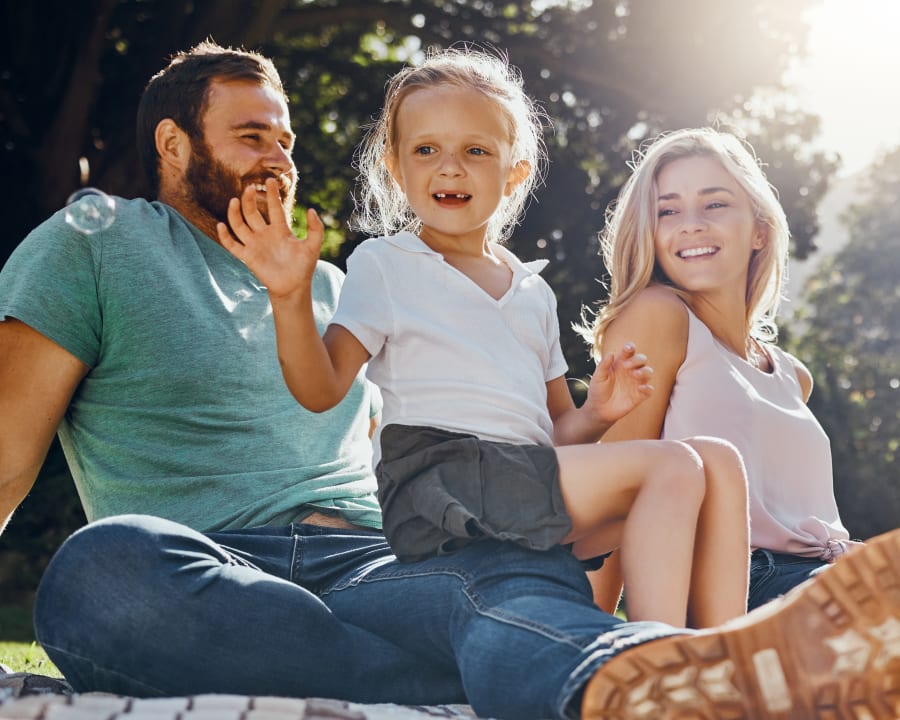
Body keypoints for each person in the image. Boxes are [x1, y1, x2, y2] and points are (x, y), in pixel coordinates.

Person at [1, 42, 898, 720]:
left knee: (493, 586)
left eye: (287, 136)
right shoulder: (100, 244)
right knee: (99, 575)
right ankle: (470, 668)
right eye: (250, 136)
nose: (279, 154)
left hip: (378, 559)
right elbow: (7, 453)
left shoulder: (334, 282)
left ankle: (634, 676)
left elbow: (457, 432)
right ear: (171, 142)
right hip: (207, 561)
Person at [221, 47, 749, 630]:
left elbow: (555, 434)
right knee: (672, 467)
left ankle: (726, 655)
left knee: (718, 466)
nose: (450, 168)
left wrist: (598, 413)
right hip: (437, 482)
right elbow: (320, 389)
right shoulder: (386, 263)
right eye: (427, 150)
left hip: (518, 480)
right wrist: (289, 297)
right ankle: (657, 662)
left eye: (476, 151)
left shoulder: (532, 291)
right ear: (396, 166)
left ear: (514, 171)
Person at [579, 127, 864, 612]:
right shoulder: (658, 317)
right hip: (738, 586)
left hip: (829, 575)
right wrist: (586, 639)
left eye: (714, 204)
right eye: (668, 210)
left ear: (759, 231)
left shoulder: (792, 376)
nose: (690, 223)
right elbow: (614, 497)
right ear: (650, 231)